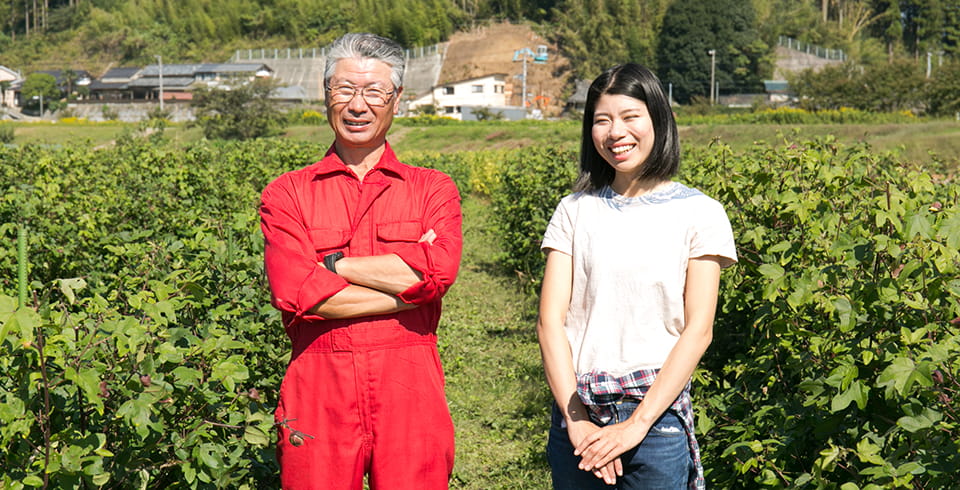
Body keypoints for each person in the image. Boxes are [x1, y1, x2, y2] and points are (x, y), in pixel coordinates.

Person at [259, 32, 462, 490]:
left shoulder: (432, 188)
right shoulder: (288, 192)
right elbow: (296, 294)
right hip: (318, 383)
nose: (357, 105)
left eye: (373, 92)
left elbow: (439, 271)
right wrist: (412, 295)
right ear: (325, 93)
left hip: (409, 384)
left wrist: (333, 266)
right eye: (344, 89)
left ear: (397, 99)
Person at [537, 63, 737, 489]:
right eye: (602, 120)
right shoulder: (574, 210)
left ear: (659, 121)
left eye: (630, 117)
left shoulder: (700, 212)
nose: (616, 133)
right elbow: (549, 321)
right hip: (579, 409)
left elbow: (698, 330)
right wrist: (578, 422)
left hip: (655, 420)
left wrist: (635, 426)